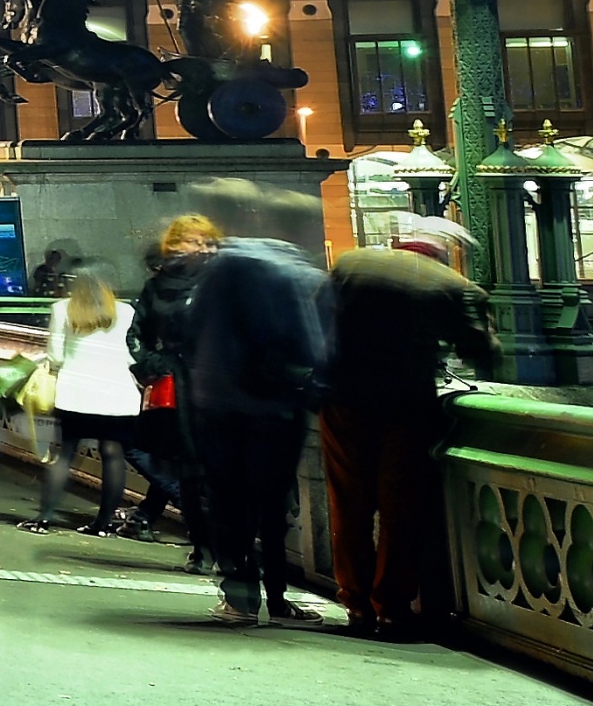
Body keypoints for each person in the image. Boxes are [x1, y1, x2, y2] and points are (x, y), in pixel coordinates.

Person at [321, 214, 503, 641]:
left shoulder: (352, 265)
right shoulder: (456, 287)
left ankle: (356, 605)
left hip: (344, 398)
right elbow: (482, 350)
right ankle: (393, 609)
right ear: (442, 253)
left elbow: (314, 324)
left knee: (349, 504)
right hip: (405, 405)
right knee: (400, 510)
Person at [176, 226, 333, 627]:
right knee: (273, 506)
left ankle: (240, 598)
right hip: (276, 407)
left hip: (217, 406)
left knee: (228, 503)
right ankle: (279, 600)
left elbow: (186, 338)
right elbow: (314, 348)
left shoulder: (212, 277)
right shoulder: (290, 275)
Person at [126, 212, 224, 561]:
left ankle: (218, 545)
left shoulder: (221, 282)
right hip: (178, 391)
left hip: (217, 388)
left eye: (209, 242)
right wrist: (156, 365)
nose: (204, 248)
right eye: (195, 241)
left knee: (212, 471)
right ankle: (203, 546)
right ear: (176, 245)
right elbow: (136, 334)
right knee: (185, 470)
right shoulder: (157, 286)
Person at [26, 266, 150, 532]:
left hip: (76, 393)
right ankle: (103, 525)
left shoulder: (62, 309)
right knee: (112, 453)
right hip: (118, 392)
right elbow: (132, 354)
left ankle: (44, 519)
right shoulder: (125, 311)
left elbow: (56, 356)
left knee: (66, 454)